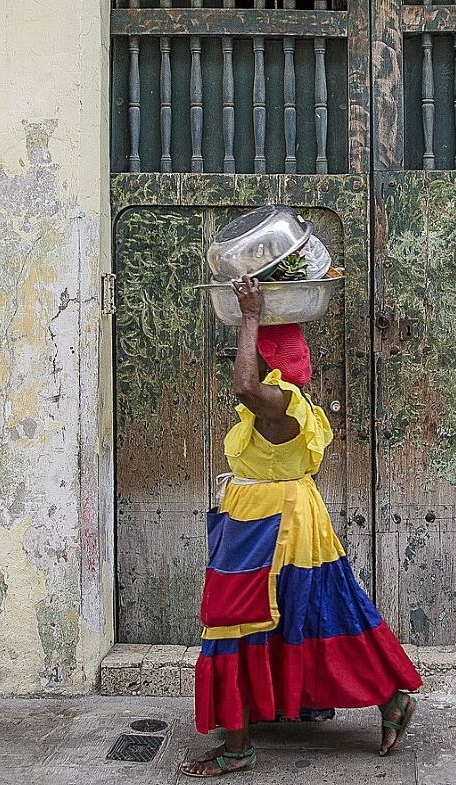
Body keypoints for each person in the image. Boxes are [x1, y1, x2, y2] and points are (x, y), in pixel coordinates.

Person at [181, 276, 422, 778]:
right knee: (316, 613)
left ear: (271, 366)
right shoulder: (293, 406)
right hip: (284, 520)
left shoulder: (280, 407)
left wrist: (249, 316)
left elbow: (243, 385)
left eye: (256, 356)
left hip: (267, 530)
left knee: (232, 620)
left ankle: (237, 748)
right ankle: (390, 699)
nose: (245, 363)